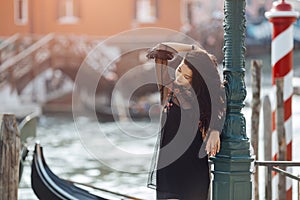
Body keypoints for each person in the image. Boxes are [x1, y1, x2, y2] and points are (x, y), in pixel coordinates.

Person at [146, 42, 225, 200]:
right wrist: (193, 49)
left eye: (187, 76)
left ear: (197, 80)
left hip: (195, 176)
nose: (179, 77)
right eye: (179, 69)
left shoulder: (207, 103)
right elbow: (162, 48)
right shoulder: (167, 91)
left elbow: (221, 109)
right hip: (169, 172)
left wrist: (215, 130)